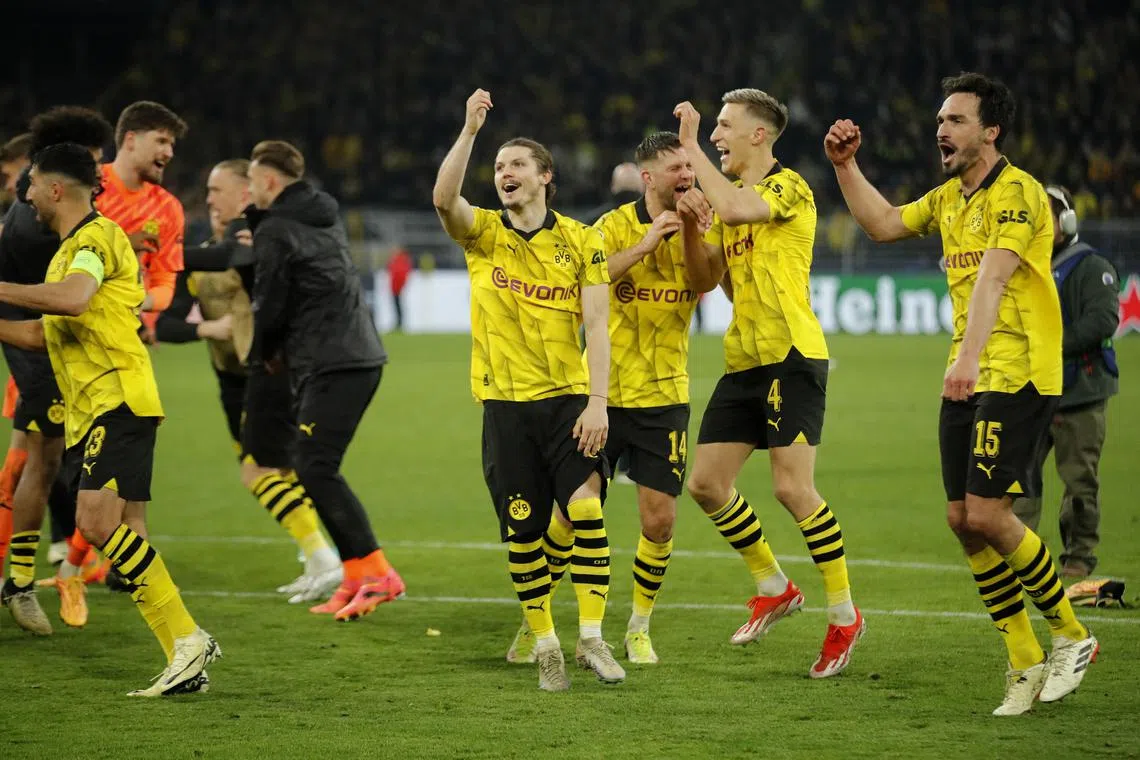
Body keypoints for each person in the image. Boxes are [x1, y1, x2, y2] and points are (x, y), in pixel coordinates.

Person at [826, 72, 1098, 715]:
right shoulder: (951, 197)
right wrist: (845, 167)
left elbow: (995, 279)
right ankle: (1026, 659)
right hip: (969, 372)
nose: (941, 130)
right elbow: (886, 224)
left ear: (991, 131)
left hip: (1016, 371)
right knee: (961, 520)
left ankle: (1072, 634)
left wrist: (970, 358)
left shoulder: (1019, 195)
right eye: (940, 120)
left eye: (955, 120)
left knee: (988, 515)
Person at [0, 143, 218, 694]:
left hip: (115, 399)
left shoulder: (95, 240)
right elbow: (40, 335)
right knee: (105, 526)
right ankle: (183, 649)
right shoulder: (68, 254)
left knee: (97, 524)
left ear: (54, 189)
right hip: (104, 405)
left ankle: (188, 639)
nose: (22, 196)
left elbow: (72, 301)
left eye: (30, 186)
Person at [433, 89, 623, 691]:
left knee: (586, 509)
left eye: (516, 164)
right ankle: (545, 646)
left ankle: (591, 637)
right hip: (505, 405)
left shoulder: (582, 241)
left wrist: (599, 403)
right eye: (498, 167)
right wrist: (468, 133)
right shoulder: (483, 234)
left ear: (545, 176)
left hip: (568, 399)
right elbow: (443, 198)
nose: (504, 174)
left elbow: (597, 325)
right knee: (523, 530)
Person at [675, 89, 864, 678]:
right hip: (745, 360)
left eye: (724, 127)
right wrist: (688, 225)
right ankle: (774, 585)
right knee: (706, 484)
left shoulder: (789, 188)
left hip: (792, 357)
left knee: (792, 490)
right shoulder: (729, 200)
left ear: (760, 134)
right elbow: (708, 278)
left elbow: (733, 209)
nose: (714, 137)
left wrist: (687, 150)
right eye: (713, 130)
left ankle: (843, 615)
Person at [504, 131, 700, 666]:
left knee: (659, 521)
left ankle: (639, 626)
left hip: (665, 394)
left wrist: (689, 236)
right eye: (677, 166)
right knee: (573, 510)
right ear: (649, 177)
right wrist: (645, 245)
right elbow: (585, 287)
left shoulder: (702, 224)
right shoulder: (607, 228)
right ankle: (534, 618)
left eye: (691, 165)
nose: (688, 173)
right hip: (601, 395)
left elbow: (707, 281)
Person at [246, 139, 401, 621]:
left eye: (253, 182)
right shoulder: (322, 216)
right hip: (351, 353)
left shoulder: (275, 228)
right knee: (314, 466)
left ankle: (378, 573)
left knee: (314, 467)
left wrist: (260, 357)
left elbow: (269, 301)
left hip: (334, 359)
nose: (252, 192)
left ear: (270, 181)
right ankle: (357, 577)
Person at [187, 158, 341, 604]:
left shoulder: (258, 232)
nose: (209, 198)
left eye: (218, 189)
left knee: (258, 471)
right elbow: (172, 317)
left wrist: (166, 255)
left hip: (271, 367)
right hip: (234, 374)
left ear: (245, 191)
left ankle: (324, 554)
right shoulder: (227, 238)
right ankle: (317, 558)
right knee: (282, 469)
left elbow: (245, 266)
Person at [0, 107, 113, 634]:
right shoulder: (41, 215)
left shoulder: (39, 203)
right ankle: (21, 583)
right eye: (92, 159)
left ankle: (52, 567)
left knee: (38, 461)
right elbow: (67, 295)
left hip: (46, 340)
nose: (98, 171)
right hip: (39, 344)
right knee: (42, 463)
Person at [1011, 185, 1119, 579]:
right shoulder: (1024, 266)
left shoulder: (1092, 267)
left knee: (1079, 482)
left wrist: (1048, 347)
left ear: (1067, 221)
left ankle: (1078, 558)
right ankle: (1021, 556)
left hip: (1080, 393)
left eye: (1049, 216)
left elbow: (1103, 320)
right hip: (1033, 392)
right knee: (1018, 479)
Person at [387, 245, 412, 331]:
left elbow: (400, 274)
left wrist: (399, 286)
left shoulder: (400, 260)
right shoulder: (399, 260)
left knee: (397, 306)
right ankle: (398, 323)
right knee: (397, 305)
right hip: (396, 287)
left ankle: (399, 323)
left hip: (396, 287)